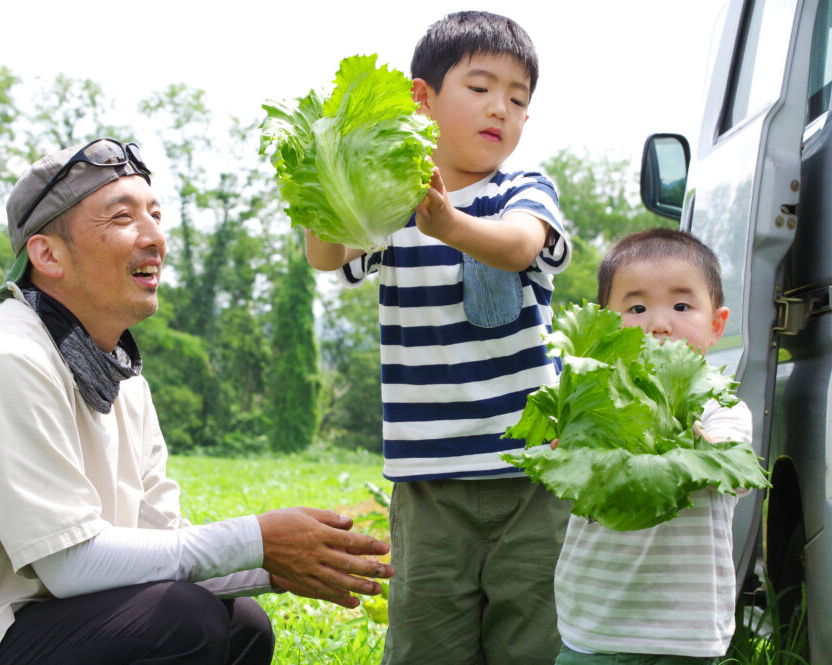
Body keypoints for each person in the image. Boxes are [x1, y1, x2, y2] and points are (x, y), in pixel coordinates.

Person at [0, 138, 393, 665]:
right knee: (183, 622)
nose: (154, 237)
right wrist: (258, 540)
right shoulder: (5, 359)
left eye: (154, 214)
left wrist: (283, 564)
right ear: (48, 254)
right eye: (122, 217)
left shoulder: (120, 375)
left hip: (28, 622)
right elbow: (69, 566)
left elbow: (160, 541)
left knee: (242, 624)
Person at [305, 11, 572, 665]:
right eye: (480, 88)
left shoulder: (522, 190)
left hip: (531, 477)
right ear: (423, 99)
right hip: (428, 482)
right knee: (429, 639)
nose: (501, 109)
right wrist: (326, 172)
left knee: (535, 638)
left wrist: (449, 223)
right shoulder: (389, 202)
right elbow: (327, 253)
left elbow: (519, 246)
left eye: (518, 98)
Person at [552, 227, 752, 664]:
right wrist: (562, 448)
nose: (659, 324)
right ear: (605, 322)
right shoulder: (586, 396)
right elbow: (560, 465)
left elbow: (734, 470)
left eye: (682, 306)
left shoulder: (724, 406)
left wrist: (698, 442)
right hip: (596, 625)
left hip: (685, 634)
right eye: (637, 307)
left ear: (717, 324)